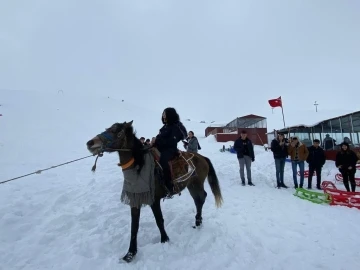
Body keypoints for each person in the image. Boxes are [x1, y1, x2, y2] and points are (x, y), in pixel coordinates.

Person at [152, 107, 187, 197]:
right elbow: (160, 137)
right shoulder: (165, 126)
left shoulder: (175, 126)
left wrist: (157, 141)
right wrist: (154, 140)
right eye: (163, 113)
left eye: (165, 113)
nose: (163, 115)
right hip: (160, 148)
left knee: (163, 161)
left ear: (170, 115)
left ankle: (169, 186)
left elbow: (171, 141)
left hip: (170, 150)